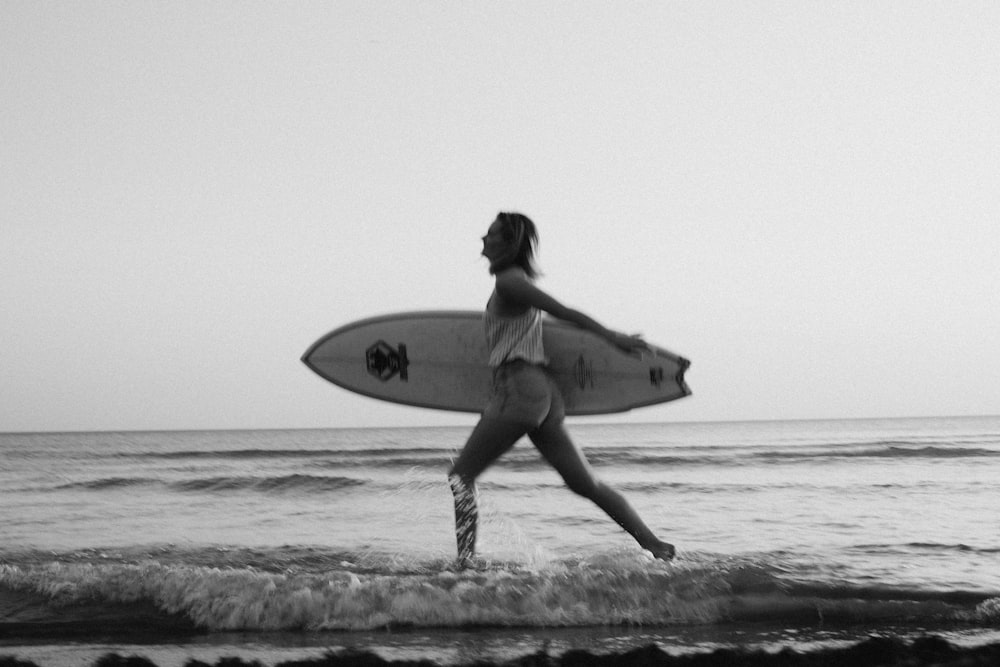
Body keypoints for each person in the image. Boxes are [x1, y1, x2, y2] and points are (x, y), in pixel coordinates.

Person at [447, 212, 675, 565]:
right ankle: (656, 546)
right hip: (543, 395)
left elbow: (562, 311)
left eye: (491, 235)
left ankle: (464, 565)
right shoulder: (513, 280)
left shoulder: (510, 282)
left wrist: (611, 337)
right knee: (586, 484)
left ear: (508, 244)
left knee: (461, 476)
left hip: (520, 388)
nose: (483, 240)